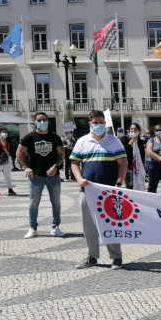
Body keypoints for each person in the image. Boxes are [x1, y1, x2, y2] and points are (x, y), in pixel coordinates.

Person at [71, 110, 127, 270]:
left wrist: (119, 182)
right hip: (87, 190)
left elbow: (123, 163)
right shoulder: (82, 141)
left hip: (109, 190)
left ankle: (116, 257)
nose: (99, 125)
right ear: (90, 124)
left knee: (111, 222)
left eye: (102, 122)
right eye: (95, 123)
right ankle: (92, 256)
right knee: (88, 225)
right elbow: (74, 163)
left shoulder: (113, 142)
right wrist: (79, 179)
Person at [16, 112, 65, 238]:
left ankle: (55, 227)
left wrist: (55, 166)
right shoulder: (29, 137)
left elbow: (61, 154)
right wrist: (26, 167)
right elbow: (19, 153)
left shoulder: (55, 137)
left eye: (44, 119)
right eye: (39, 120)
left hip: (53, 175)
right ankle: (33, 228)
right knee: (33, 203)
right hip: (35, 176)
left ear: (48, 121)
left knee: (56, 202)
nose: (42, 122)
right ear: (35, 122)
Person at [0, 128, 16, 196]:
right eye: (3, 132)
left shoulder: (8, 141)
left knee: (8, 175)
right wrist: (2, 150)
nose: (4, 133)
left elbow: (11, 150)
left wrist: (9, 153)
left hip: (7, 160)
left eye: (6, 132)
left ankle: (10, 188)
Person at [121, 123, 146, 190]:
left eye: (135, 129)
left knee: (139, 185)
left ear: (139, 131)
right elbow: (124, 151)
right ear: (129, 130)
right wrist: (132, 141)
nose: (133, 131)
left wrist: (143, 164)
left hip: (138, 167)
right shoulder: (124, 138)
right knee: (130, 187)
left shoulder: (141, 142)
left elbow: (142, 154)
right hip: (129, 167)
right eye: (132, 129)